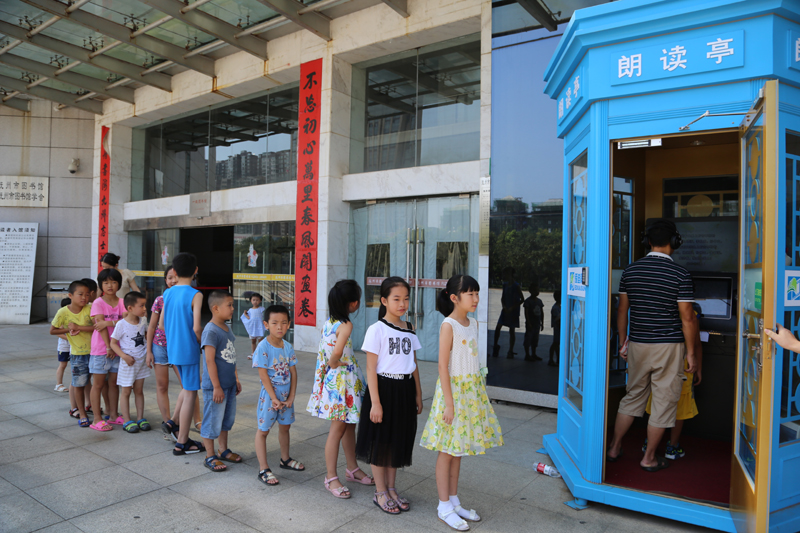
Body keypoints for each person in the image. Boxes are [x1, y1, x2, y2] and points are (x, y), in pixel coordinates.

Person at [607, 219, 697, 472]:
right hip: (668, 347)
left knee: (632, 397)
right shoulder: (680, 274)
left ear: (648, 242)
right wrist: (691, 353)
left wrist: (623, 342)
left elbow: (622, 310)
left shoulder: (630, 271)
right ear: (674, 242)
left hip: (638, 344)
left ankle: (614, 448)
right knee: (663, 402)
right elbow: (688, 319)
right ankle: (648, 458)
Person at [421, 275, 504, 531]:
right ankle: (443, 506)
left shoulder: (473, 323)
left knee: (458, 450)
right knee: (447, 450)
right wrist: (449, 403)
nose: (476, 299)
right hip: (453, 394)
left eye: (477, 293)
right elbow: (442, 366)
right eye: (471, 294)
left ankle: (454, 502)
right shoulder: (449, 325)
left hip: (469, 392)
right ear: (455, 298)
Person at [356, 277, 423, 515]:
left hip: (405, 390)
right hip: (383, 389)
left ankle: (392, 489)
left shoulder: (409, 328)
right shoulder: (377, 330)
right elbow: (371, 368)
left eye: (406, 299)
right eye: (396, 299)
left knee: (397, 440)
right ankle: (380, 491)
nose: (402, 304)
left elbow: (413, 364)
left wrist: (418, 393)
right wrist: (375, 402)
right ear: (384, 301)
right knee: (380, 441)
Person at [307, 280, 373, 499]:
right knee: (337, 430)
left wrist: (332, 364)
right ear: (353, 303)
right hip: (341, 383)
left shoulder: (329, 323)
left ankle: (352, 469)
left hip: (339, 382)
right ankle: (331, 477)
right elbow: (335, 353)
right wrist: (335, 362)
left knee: (349, 426)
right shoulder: (346, 325)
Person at [253, 305, 304, 485]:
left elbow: (293, 373)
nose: (279, 327)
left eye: (283, 323)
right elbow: (263, 375)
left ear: (289, 324)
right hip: (269, 397)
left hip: (286, 396)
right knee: (263, 430)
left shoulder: (287, 346)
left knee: (285, 427)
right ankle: (263, 468)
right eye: (274, 323)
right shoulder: (263, 347)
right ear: (266, 324)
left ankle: (285, 459)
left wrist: (291, 397)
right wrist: (274, 398)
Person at [164, 252, 205, 456]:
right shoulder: (196, 294)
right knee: (190, 393)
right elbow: (197, 327)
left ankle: (174, 424)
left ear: (175, 271)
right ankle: (182, 442)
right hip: (188, 349)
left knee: (187, 389)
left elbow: (162, 323)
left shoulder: (168, 293)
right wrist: (202, 342)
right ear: (196, 270)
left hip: (173, 349)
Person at [200, 290, 243, 472]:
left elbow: (231, 355)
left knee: (226, 419)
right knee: (212, 420)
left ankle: (223, 449)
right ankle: (210, 455)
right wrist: (216, 386)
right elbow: (209, 361)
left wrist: (236, 378)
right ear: (216, 308)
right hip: (215, 387)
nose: (233, 308)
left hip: (229, 384)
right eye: (229, 305)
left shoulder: (227, 327)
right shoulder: (210, 331)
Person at [50, 280, 94, 428]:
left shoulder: (90, 308)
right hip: (77, 354)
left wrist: (78, 327)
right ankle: (82, 413)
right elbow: (52, 330)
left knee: (95, 383)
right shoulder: (63, 312)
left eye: (87, 295)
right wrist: (68, 330)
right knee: (79, 384)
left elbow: (96, 326)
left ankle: (94, 409)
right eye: (80, 294)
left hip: (95, 352)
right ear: (70, 295)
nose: (84, 298)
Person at [88, 268, 127, 432]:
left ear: (119, 284)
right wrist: (109, 346)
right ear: (101, 285)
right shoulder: (98, 302)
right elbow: (100, 326)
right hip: (101, 349)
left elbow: (127, 320)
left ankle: (113, 415)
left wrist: (109, 322)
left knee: (113, 384)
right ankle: (97, 418)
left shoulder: (122, 302)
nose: (110, 286)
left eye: (113, 282)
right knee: (97, 384)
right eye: (106, 282)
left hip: (118, 349)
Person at [110, 291, 152, 434]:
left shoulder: (143, 320)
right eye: (141, 306)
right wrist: (124, 356)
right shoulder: (121, 324)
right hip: (128, 363)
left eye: (145, 305)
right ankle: (127, 420)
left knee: (139, 390)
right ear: (130, 308)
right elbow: (113, 343)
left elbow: (147, 335)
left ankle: (140, 418)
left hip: (141, 362)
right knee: (126, 391)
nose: (145, 308)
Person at [492, 267, 524, 359]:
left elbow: (522, 299)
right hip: (505, 310)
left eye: (506, 273)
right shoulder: (505, 285)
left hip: (513, 311)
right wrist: (504, 306)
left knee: (511, 330)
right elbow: (502, 297)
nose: (504, 275)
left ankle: (510, 350)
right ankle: (495, 345)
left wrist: (512, 308)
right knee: (498, 327)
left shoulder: (516, 286)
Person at [522, 285, 544, 362]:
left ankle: (533, 354)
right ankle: (527, 354)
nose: (537, 292)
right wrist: (528, 322)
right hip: (531, 323)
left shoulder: (539, 301)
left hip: (537, 324)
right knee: (528, 338)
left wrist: (542, 322)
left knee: (535, 339)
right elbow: (526, 313)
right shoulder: (528, 301)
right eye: (535, 290)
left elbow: (542, 312)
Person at [54, 297, 72, 393]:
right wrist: (70, 339)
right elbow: (58, 333)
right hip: (64, 345)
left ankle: (75, 384)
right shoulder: (61, 317)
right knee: (63, 364)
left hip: (74, 345)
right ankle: (58, 384)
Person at [241, 293, 266, 359]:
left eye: (257, 300)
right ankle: (253, 354)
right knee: (253, 341)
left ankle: (261, 354)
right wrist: (245, 314)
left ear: (260, 301)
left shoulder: (262, 309)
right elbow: (248, 318)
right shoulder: (250, 310)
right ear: (251, 301)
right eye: (253, 300)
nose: (255, 301)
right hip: (253, 329)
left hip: (259, 328)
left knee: (261, 342)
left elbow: (264, 317)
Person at [548, 290, 561, 367]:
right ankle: (551, 359)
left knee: (557, 344)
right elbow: (556, 319)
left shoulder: (559, 307)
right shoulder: (555, 308)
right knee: (555, 343)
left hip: (558, 327)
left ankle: (558, 359)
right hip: (557, 328)